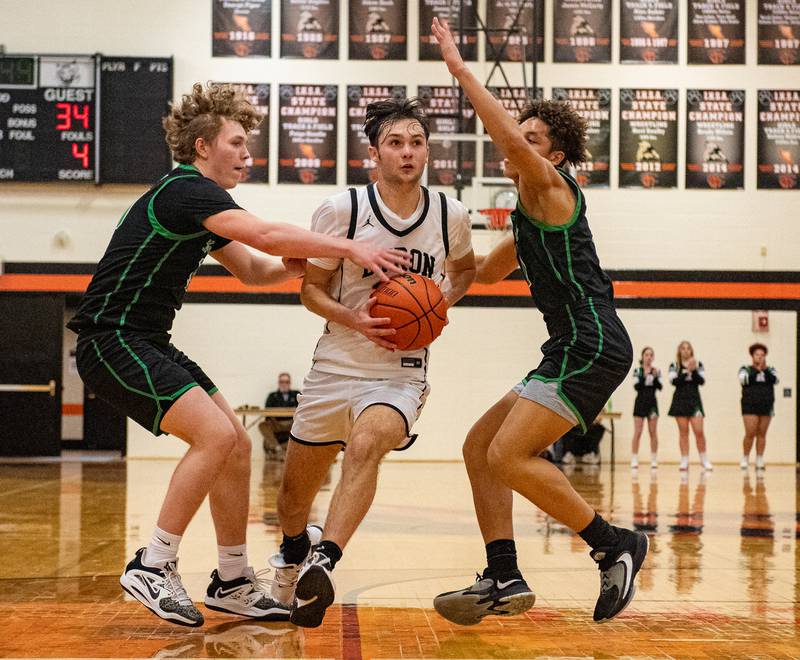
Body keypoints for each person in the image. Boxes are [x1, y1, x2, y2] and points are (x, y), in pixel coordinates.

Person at [66, 82, 410, 627]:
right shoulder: (186, 190)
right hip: (111, 338)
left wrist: (308, 265)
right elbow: (267, 235)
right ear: (202, 147)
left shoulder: (197, 207)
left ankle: (231, 580)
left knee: (236, 446)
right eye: (237, 145)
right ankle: (153, 563)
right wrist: (350, 245)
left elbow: (255, 269)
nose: (247, 158)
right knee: (216, 435)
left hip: (146, 339)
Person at [428, 18, 648, 626]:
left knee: (507, 455)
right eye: (517, 135)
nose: (514, 145)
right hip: (570, 346)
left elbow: (513, 147)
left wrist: (461, 71)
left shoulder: (551, 187)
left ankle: (612, 544)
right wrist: (430, 258)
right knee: (480, 447)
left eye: (530, 138)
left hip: (593, 341)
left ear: (554, 153)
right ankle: (503, 572)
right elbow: (483, 273)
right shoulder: (527, 212)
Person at [267, 96, 476, 628]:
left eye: (417, 142)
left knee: (365, 445)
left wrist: (433, 312)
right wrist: (356, 320)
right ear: (374, 154)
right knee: (291, 502)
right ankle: (295, 553)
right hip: (336, 364)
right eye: (396, 143)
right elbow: (310, 291)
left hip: (399, 372)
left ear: (428, 149)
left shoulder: (450, 213)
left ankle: (325, 560)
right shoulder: (343, 211)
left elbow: (466, 273)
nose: (408, 152)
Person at [668, 341, 711, 472]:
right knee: (683, 432)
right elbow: (674, 381)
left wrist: (694, 371)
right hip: (680, 401)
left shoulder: (698, 365)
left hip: (694, 401)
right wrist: (687, 371)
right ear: (679, 351)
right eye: (683, 348)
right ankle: (684, 460)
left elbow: (701, 381)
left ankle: (704, 460)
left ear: (691, 351)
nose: (686, 351)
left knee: (699, 432)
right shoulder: (674, 365)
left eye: (688, 348)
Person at [739, 343, 778, 470]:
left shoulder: (770, 370)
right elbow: (743, 380)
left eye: (762, 355)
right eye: (757, 355)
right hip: (749, 405)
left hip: (766, 404)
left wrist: (764, 370)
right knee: (750, 433)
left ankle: (760, 459)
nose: (760, 357)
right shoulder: (745, 369)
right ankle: (745, 457)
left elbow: (775, 380)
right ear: (752, 356)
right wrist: (757, 370)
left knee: (762, 433)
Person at [631, 347, 662, 470]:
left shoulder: (656, 371)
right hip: (640, 402)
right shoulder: (637, 370)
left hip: (652, 403)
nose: (648, 357)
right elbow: (637, 386)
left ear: (653, 357)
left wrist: (654, 377)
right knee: (638, 431)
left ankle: (654, 459)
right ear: (642, 357)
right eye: (646, 355)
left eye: (651, 355)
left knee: (653, 432)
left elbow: (659, 387)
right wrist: (644, 376)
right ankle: (634, 458)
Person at [259, 372, 300, 455]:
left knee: (304, 424)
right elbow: (267, 413)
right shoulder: (272, 396)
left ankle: (280, 448)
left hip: (291, 423)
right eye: (282, 382)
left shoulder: (296, 394)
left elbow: (302, 410)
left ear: (290, 383)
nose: (284, 384)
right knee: (262, 425)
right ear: (278, 383)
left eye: (286, 382)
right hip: (277, 423)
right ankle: (278, 448)